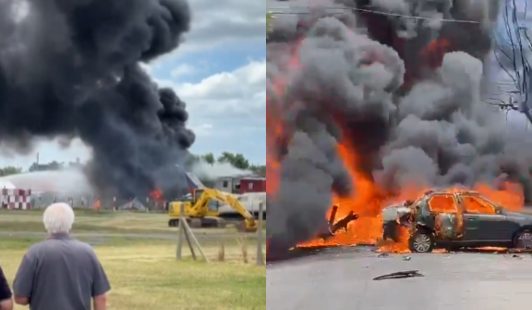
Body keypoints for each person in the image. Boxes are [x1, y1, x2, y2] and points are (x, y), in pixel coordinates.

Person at [13, 203, 111, 310]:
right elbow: (100, 297)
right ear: (71, 222)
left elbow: (20, 298)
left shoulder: (34, 253)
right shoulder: (87, 252)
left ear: (45, 223)